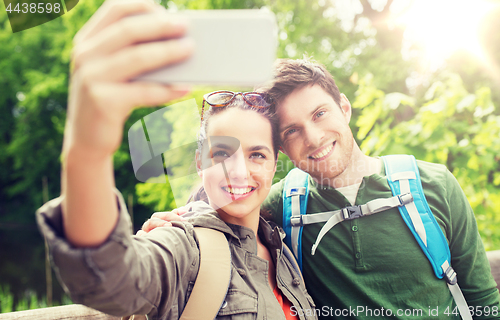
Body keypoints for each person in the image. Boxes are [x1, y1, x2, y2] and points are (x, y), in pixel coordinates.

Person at [143, 58, 500, 319]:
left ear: (344, 107)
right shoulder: (283, 204)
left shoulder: (433, 184)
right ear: (279, 148)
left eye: (320, 114)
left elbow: (484, 302)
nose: (313, 138)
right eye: (291, 130)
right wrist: (180, 219)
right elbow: (227, 195)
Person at [35, 1, 317, 319]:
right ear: (200, 162)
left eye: (256, 155)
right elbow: (108, 281)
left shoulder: (285, 250)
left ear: (274, 163)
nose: (239, 172)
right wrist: (87, 150)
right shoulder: (184, 245)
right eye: (222, 153)